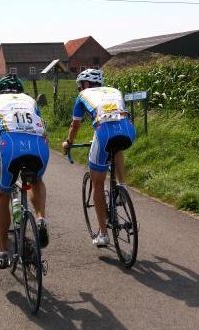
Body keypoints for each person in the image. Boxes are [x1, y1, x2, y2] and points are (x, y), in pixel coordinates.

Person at [0, 74, 50, 269]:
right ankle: (40, 218)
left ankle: (2, 251)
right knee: (36, 180)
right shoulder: (30, 101)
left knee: (1, 195)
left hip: (11, 147)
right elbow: (43, 130)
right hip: (39, 146)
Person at [62, 69, 136, 247]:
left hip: (103, 133)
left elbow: (75, 124)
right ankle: (122, 186)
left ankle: (103, 234)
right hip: (128, 131)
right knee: (117, 147)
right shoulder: (115, 91)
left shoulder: (83, 95)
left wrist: (68, 142)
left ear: (86, 84)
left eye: (80, 85)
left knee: (97, 183)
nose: (80, 89)